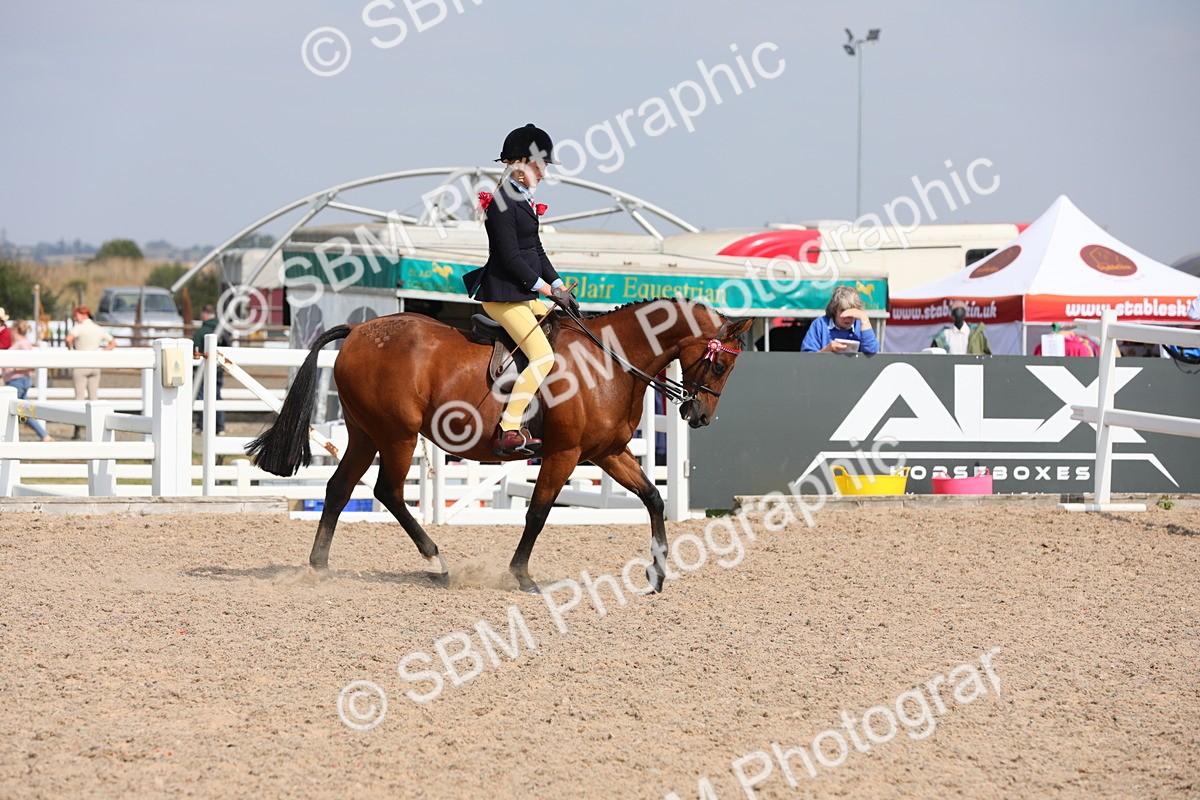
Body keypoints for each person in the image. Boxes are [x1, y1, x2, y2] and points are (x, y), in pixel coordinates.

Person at [464, 123, 580, 457]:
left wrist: (559, 286)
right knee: (543, 357)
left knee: (567, 329)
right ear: (519, 164)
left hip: (523, 295)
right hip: (502, 297)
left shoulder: (523, 202)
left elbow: (536, 252)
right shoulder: (503, 203)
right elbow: (511, 258)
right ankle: (509, 429)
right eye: (539, 166)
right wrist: (545, 288)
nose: (543, 173)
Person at [65, 306, 116, 439]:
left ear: (83, 315)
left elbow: (68, 339)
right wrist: (103, 351)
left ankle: (77, 430)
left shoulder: (79, 327)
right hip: (95, 365)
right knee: (94, 398)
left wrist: (71, 350)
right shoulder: (97, 328)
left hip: (81, 365)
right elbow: (112, 342)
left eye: (76, 315)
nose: (76, 318)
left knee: (79, 398)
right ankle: (97, 429)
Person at [2, 320, 52, 441]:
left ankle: (44, 435)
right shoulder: (21, 343)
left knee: (14, 409)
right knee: (25, 411)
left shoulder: (22, 344)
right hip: (19, 380)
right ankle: (44, 435)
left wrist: (13, 368)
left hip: (17, 381)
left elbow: (30, 364)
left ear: (15, 330)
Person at [801, 286, 879, 354]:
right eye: (843, 311)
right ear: (834, 310)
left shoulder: (861, 325)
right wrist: (827, 350)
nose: (848, 316)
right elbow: (807, 358)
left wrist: (864, 317)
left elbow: (872, 351)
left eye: (852, 312)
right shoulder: (820, 324)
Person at [192, 304, 229, 434]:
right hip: (218, 369)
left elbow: (195, 351)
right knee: (217, 396)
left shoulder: (201, 331)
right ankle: (220, 427)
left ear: (204, 314)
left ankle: (203, 425)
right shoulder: (222, 330)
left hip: (203, 370)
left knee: (202, 396)